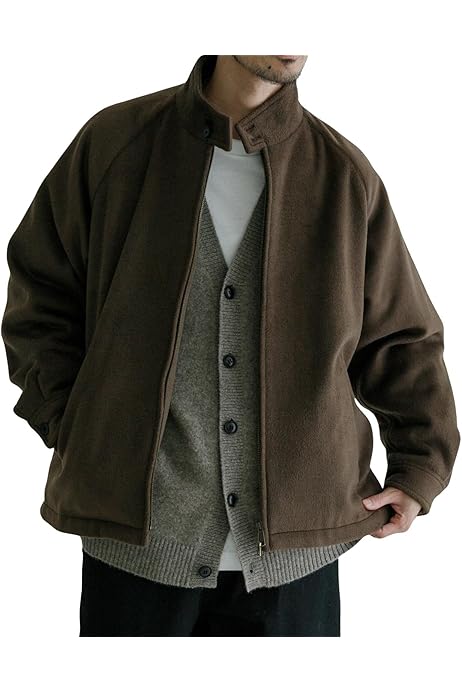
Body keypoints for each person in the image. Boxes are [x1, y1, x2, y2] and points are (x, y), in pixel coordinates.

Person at [1, 55, 459, 637]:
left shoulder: (342, 175)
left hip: (297, 557)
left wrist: (420, 465)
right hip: (136, 548)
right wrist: (76, 427)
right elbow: (40, 295)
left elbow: (402, 337)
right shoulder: (116, 145)